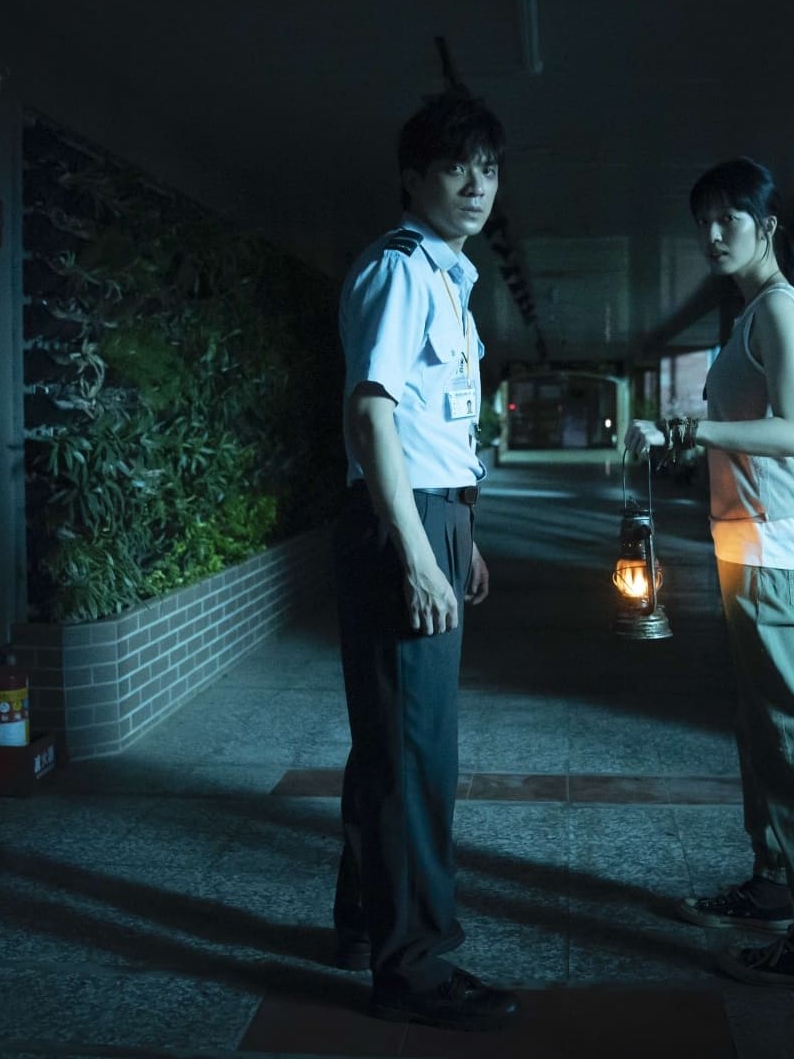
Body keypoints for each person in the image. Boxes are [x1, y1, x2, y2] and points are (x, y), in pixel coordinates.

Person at [627, 156, 794, 991]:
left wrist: (693, 431)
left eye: (730, 218)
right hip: (753, 550)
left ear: (768, 225)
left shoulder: (780, 308)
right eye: (704, 221)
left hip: (780, 553)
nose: (713, 234)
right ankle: (771, 886)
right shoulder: (752, 311)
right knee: (764, 734)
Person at [330, 90, 519, 1032]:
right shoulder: (401, 271)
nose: (477, 185)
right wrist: (416, 552)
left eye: (489, 168)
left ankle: (364, 925)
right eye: (456, 168)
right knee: (415, 757)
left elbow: (435, 427)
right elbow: (372, 415)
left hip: (434, 513)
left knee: (394, 744)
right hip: (399, 523)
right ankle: (414, 970)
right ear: (413, 178)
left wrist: (460, 536)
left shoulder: (447, 278)